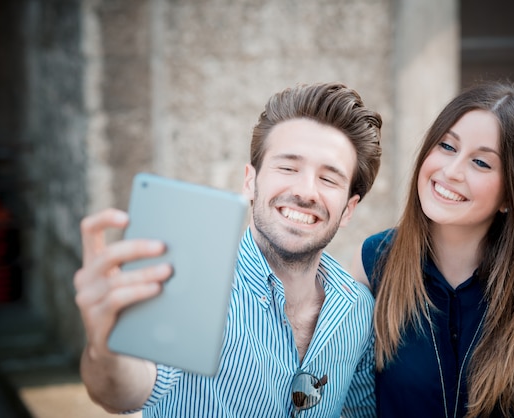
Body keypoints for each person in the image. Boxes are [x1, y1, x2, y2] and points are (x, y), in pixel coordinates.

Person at [74, 82, 383, 417]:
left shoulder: (359, 309)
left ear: (348, 209)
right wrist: (106, 348)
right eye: (288, 167)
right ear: (250, 181)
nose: (306, 191)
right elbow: (128, 390)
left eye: (329, 179)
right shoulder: (193, 286)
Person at [350, 81, 514, 417]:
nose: (451, 172)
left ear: (512, 193)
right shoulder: (373, 260)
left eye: (481, 163)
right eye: (447, 147)